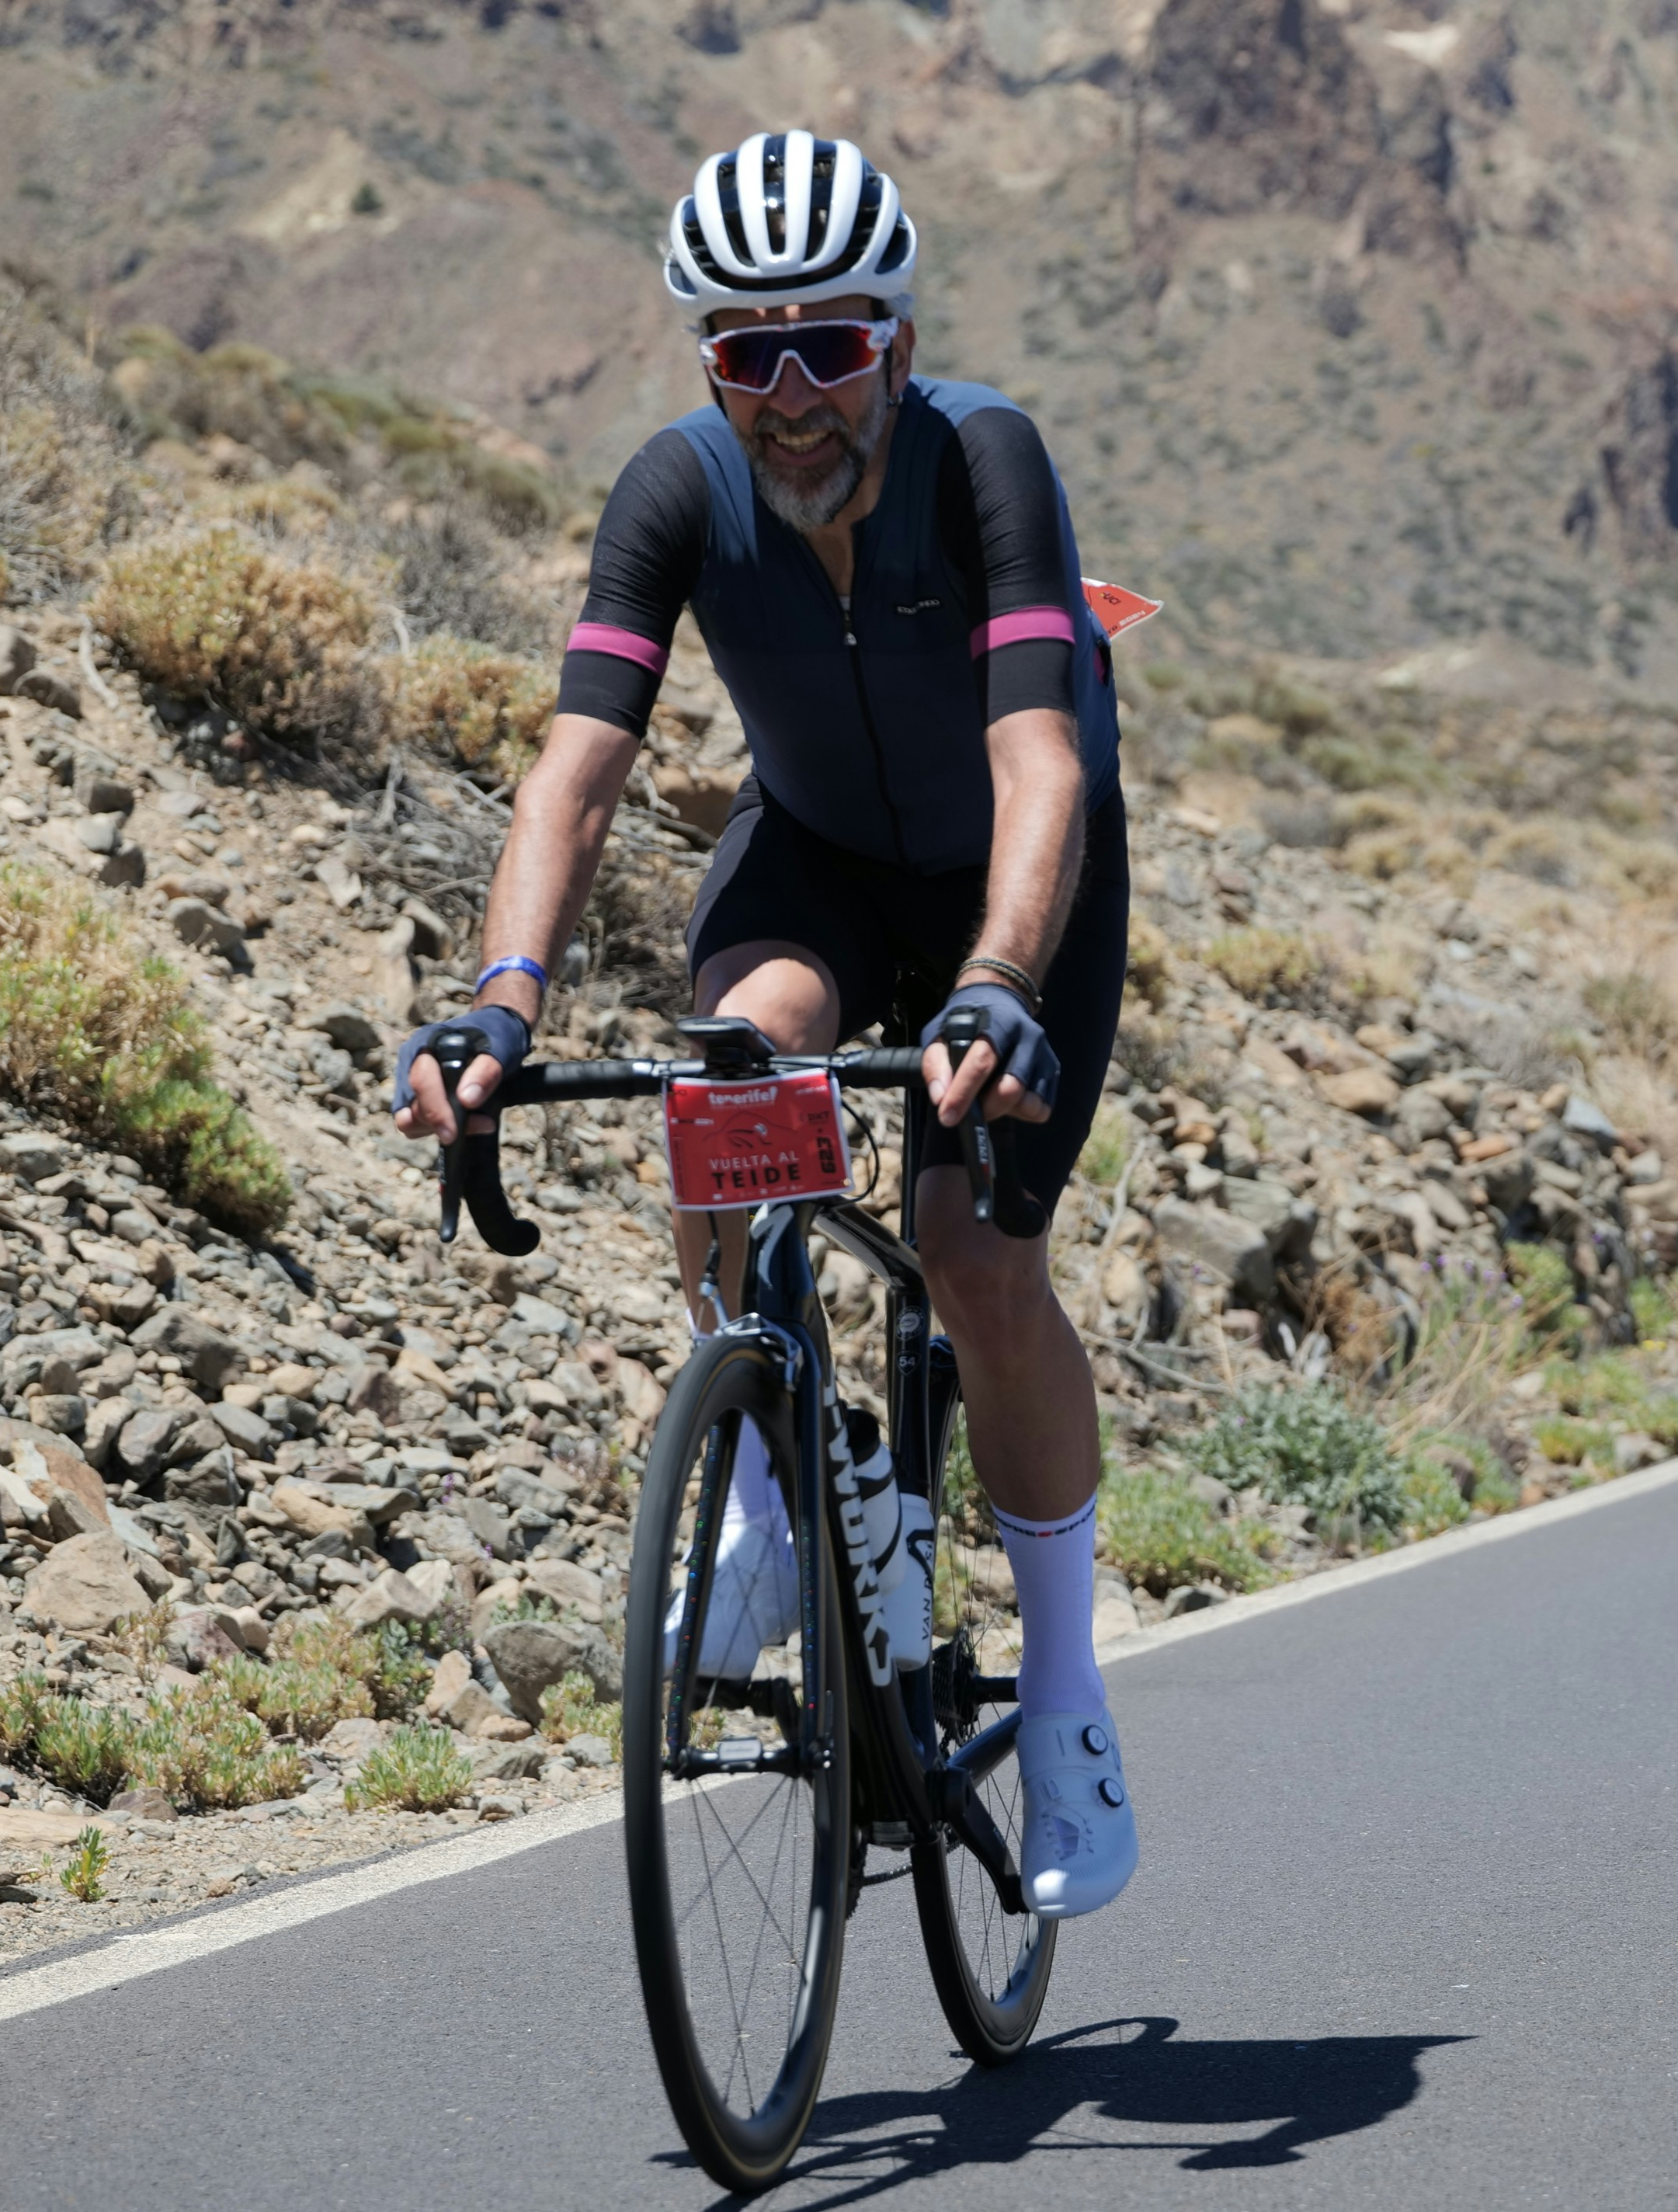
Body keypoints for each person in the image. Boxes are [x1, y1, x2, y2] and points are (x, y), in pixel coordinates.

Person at [388, 134, 1139, 1919]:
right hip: (812, 856)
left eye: (832, 346)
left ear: (894, 336)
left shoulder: (986, 458)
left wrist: (999, 982)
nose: (793, 393)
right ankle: (772, 1478)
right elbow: (577, 776)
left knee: (965, 1242)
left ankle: (1067, 1696)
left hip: (1011, 884)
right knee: (726, 1080)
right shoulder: (672, 490)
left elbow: (1039, 753)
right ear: (704, 356)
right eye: (748, 351)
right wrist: (504, 996)